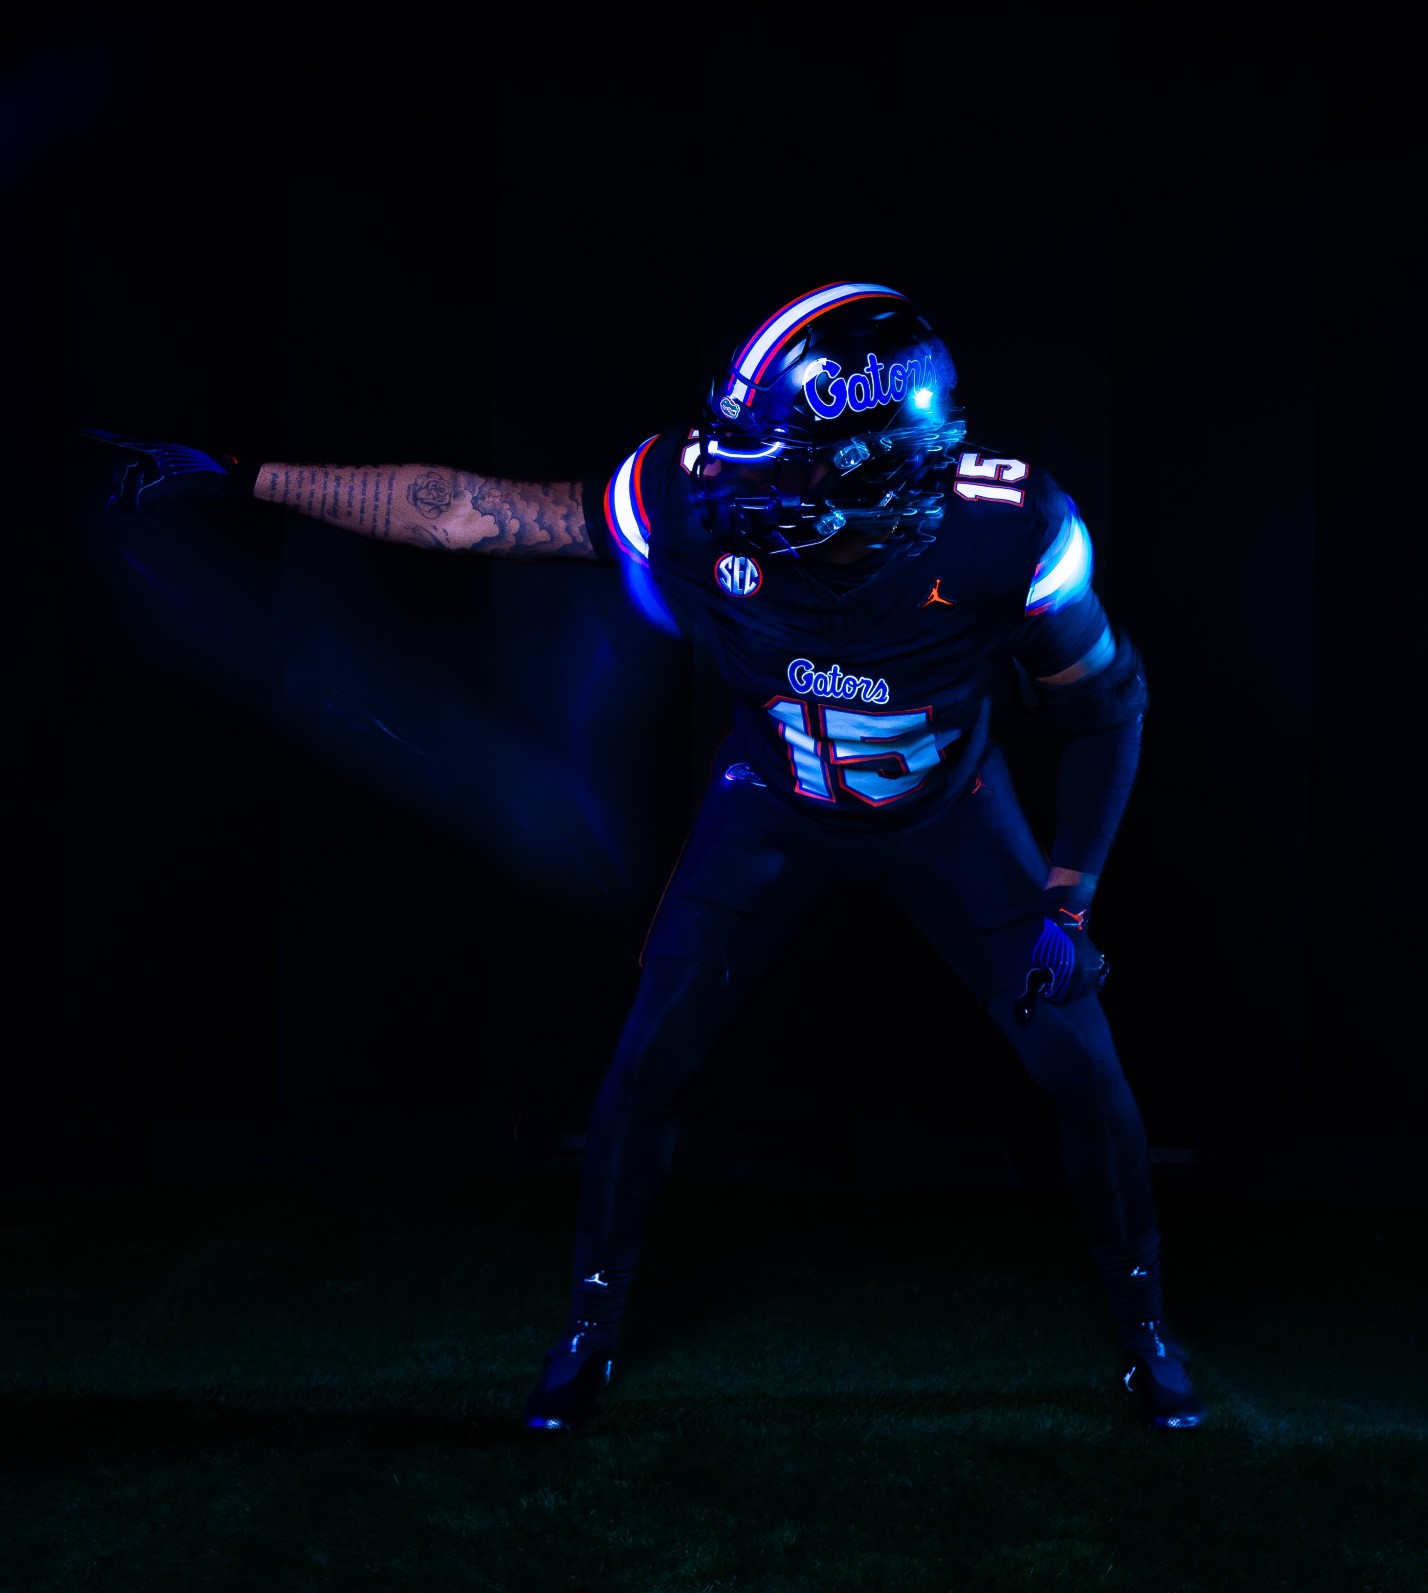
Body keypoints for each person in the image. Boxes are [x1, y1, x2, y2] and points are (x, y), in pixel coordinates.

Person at [81, 280, 1204, 1433]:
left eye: (774, 465)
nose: (729, 481)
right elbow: (468, 513)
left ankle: (1146, 1327)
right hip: (774, 803)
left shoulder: (1008, 530)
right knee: (646, 1061)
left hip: (951, 816)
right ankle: (589, 1328)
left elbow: (1107, 709)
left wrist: (1069, 901)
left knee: (1084, 1068)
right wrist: (242, 475)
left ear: (880, 473)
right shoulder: (691, 489)